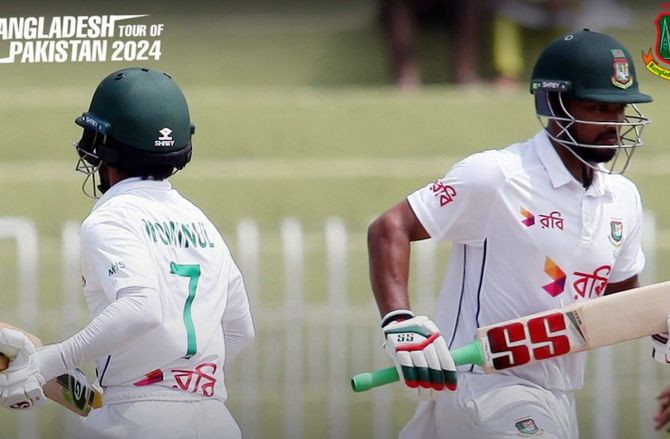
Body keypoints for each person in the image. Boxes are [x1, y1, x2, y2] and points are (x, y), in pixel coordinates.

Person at [368, 29, 652, 438]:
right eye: (598, 108)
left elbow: (622, 297)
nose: (614, 123)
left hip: (557, 391)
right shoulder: (498, 175)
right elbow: (388, 228)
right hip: (485, 383)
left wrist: (658, 322)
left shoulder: (623, 197)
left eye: (620, 109)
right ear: (554, 103)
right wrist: (399, 321)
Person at [0, 67, 255, 438]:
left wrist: (50, 361)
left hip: (136, 421)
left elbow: (141, 306)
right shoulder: (201, 223)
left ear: (99, 144)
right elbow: (240, 330)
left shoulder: (110, 218)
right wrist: (167, 381)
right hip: (216, 419)